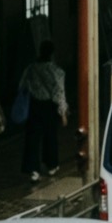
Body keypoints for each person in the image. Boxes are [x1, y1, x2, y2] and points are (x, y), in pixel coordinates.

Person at [21, 46, 72, 179]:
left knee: (33, 138)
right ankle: (51, 165)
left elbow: (22, 86)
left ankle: (33, 170)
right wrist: (63, 112)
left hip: (34, 105)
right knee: (50, 135)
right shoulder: (56, 71)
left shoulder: (30, 68)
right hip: (49, 106)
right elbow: (60, 92)